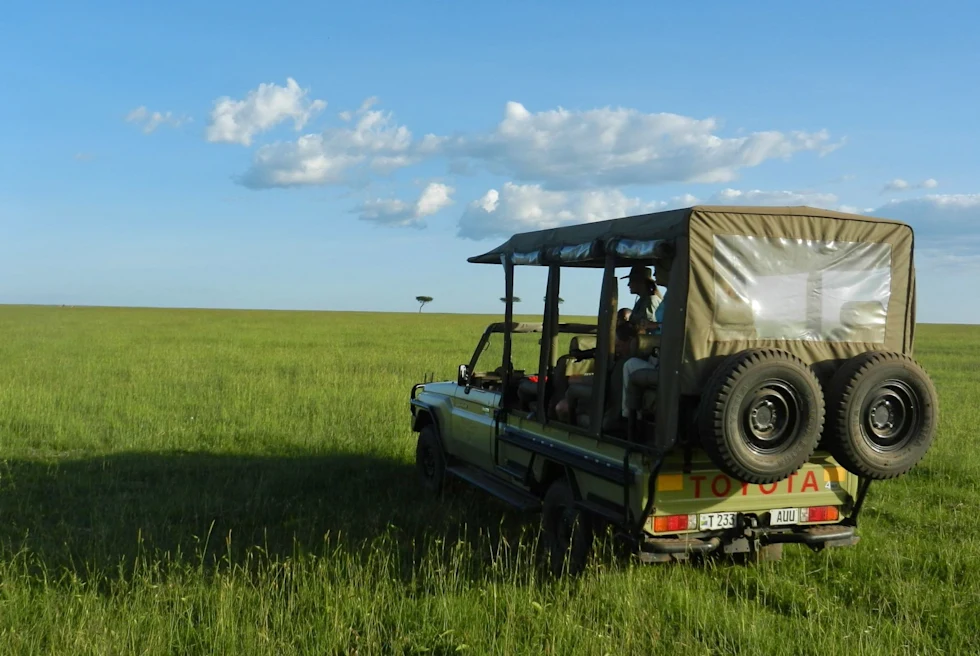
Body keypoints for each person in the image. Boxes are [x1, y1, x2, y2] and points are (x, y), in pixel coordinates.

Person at [620, 266, 662, 333]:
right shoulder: (643, 300)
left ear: (641, 282)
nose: (628, 284)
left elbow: (646, 329)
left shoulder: (650, 301)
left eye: (631, 281)